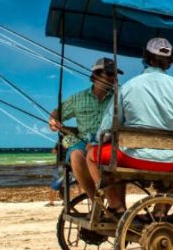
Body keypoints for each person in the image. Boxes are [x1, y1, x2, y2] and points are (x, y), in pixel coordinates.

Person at [89, 37, 173, 215]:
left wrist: (96, 141)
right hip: (172, 161)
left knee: (91, 155)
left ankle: (115, 206)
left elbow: (107, 128)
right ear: (170, 62)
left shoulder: (128, 87)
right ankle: (160, 210)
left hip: (134, 158)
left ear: (146, 57)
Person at [48, 57, 122, 202]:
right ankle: (95, 202)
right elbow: (57, 112)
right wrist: (53, 121)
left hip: (110, 143)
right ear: (95, 76)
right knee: (75, 155)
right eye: (109, 74)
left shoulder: (118, 99)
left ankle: (116, 203)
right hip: (83, 142)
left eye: (115, 75)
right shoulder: (77, 98)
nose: (114, 78)